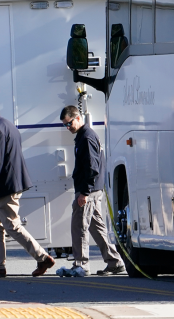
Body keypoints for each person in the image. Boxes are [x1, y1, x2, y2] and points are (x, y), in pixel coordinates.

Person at [0, 101, 55, 278]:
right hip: (9, 185)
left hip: (5, 187)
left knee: (12, 225)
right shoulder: (9, 125)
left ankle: (42, 257)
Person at [59, 106, 125, 277]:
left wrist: (85, 192)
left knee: (79, 226)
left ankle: (81, 265)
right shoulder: (83, 136)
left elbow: (92, 167)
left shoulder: (86, 137)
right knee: (96, 228)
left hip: (89, 190)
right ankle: (114, 262)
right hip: (92, 189)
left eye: (69, 123)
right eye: (65, 125)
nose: (68, 127)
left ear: (78, 118)